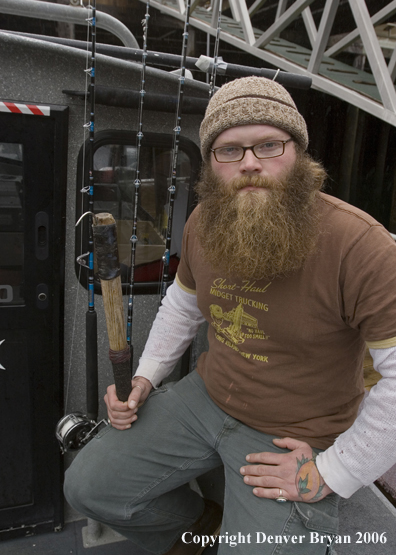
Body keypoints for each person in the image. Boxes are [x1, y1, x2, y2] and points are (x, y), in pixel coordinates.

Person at [64, 76, 396, 554]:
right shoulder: (205, 222)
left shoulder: (360, 246)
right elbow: (182, 305)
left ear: (299, 154)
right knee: (88, 488)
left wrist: (333, 471)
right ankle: (201, 532)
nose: (250, 164)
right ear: (211, 163)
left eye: (268, 144)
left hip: (297, 432)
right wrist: (146, 378)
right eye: (230, 151)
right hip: (207, 397)